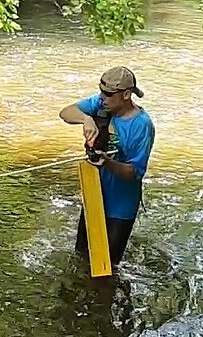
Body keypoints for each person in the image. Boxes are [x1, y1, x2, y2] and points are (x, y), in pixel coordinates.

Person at [58, 66, 156, 267]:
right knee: (81, 258)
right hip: (94, 196)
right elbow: (66, 113)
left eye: (109, 94)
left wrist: (108, 163)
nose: (102, 97)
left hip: (121, 207)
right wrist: (86, 119)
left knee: (107, 267)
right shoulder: (101, 104)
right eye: (101, 91)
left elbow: (135, 172)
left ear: (126, 95)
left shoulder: (142, 125)